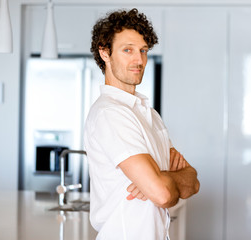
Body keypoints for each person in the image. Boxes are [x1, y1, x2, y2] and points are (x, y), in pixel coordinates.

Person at [84, 8, 200, 240]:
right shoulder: (111, 113)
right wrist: (161, 181)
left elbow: (193, 182)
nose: (139, 60)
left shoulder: (148, 114)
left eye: (143, 51)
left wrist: (164, 177)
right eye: (128, 50)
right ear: (105, 53)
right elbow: (163, 194)